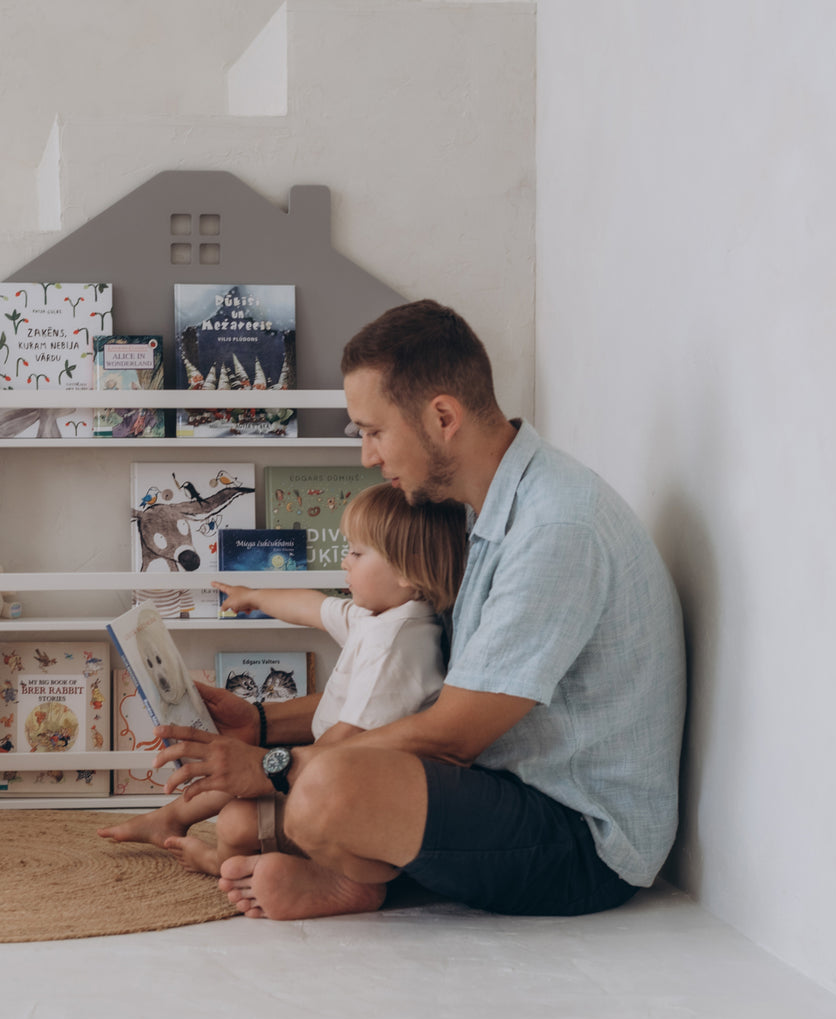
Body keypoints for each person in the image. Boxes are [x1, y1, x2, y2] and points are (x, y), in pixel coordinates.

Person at [151, 299, 687, 920]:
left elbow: (452, 734)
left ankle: (366, 882)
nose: (367, 456)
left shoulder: (554, 528)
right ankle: (353, 866)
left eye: (374, 431)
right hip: (505, 787)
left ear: (441, 417)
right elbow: (425, 691)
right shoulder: (477, 512)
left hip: (582, 840)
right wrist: (266, 725)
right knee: (271, 807)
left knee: (321, 792)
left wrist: (271, 766)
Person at [98, 483, 467, 877]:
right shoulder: (379, 617)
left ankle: (225, 861)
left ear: (408, 572)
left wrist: (282, 777)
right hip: (331, 764)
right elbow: (312, 606)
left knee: (237, 821)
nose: (345, 562)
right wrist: (254, 597)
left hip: (355, 786)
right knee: (238, 770)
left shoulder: (396, 645)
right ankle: (171, 817)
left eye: (358, 553)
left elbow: (347, 740)